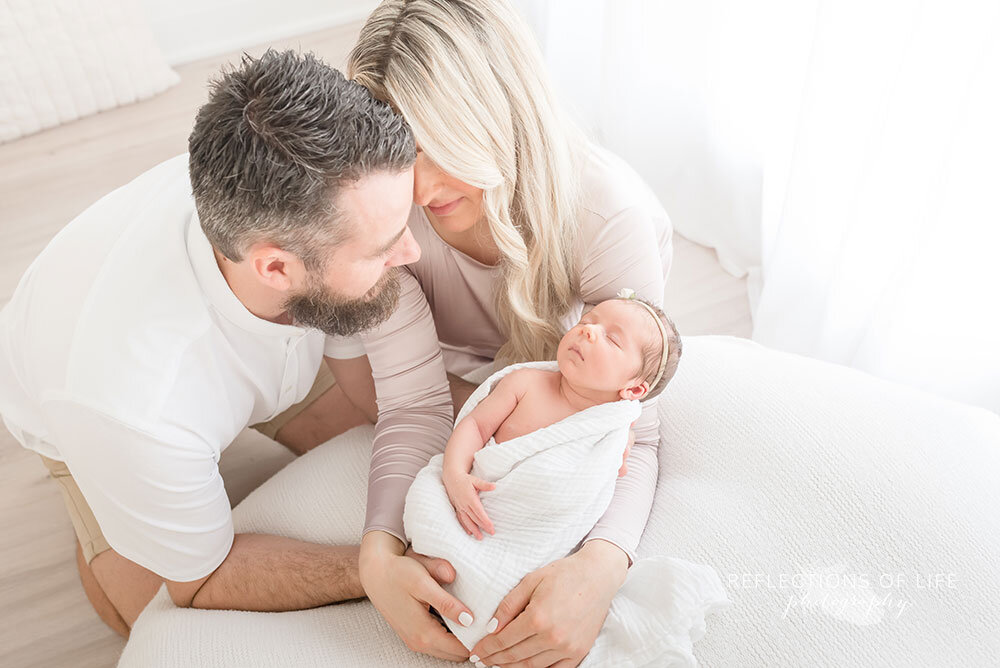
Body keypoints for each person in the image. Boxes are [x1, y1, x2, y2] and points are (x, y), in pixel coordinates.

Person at [262, 1, 674, 665]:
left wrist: (601, 567)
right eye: (399, 154)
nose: (420, 187)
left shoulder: (607, 214)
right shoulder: (392, 216)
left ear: (494, 114)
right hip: (492, 374)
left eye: (437, 145)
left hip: (529, 372)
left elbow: (640, 431)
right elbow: (411, 405)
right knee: (339, 403)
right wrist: (377, 554)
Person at [0, 50, 439, 637]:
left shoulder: (285, 196)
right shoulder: (133, 406)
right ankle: (103, 511)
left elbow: (416, 406)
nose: (411, 252)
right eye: (383, 245)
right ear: (276, 269)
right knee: (155, 623)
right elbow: (201, 581)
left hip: (264, 333)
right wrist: (373, 569)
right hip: (91, 413)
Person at [442, 294, 682, 542]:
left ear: (633, 390)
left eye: (612, 339)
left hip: (530, 535)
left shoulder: (611, 436)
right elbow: (475, 425)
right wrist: (455, 474)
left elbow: (584, 501)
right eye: (586, 321)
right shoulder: (525, 383)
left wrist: (623, 440)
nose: (588, 331)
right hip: (470, 497)